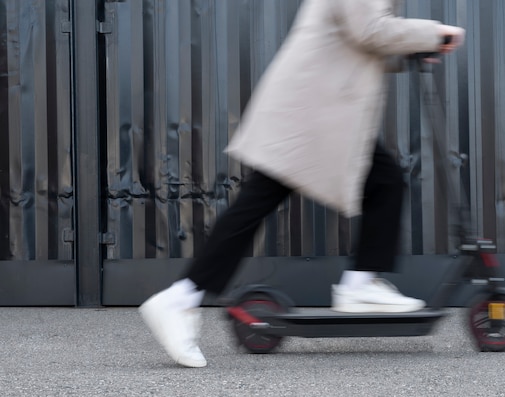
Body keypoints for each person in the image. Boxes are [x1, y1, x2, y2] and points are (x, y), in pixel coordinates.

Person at [139, 0, 465, 368]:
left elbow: (354, 42)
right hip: (312, 114)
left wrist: (414, 47)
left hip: (314, 109)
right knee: (265, 200)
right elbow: (370, 31)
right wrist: (433, 32)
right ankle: (180, 299)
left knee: (374, 183)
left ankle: (358, 285)